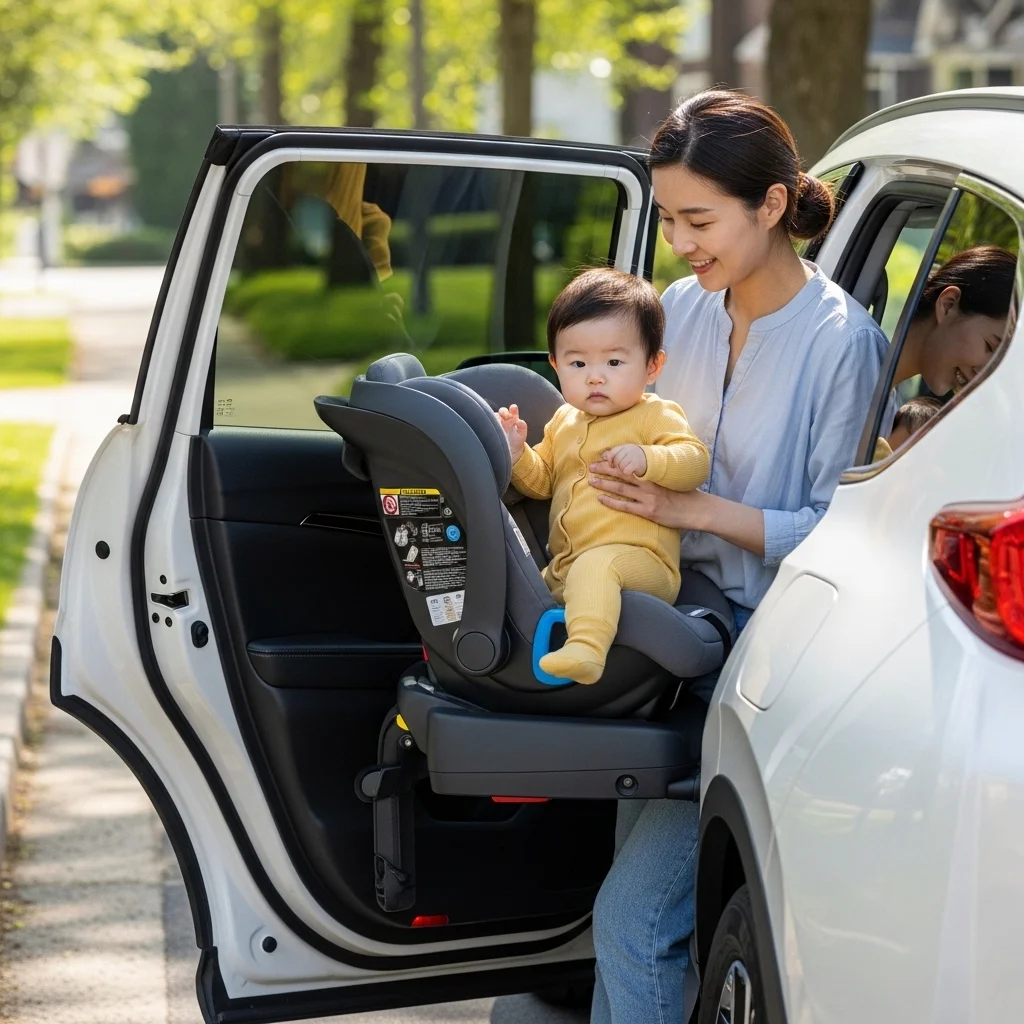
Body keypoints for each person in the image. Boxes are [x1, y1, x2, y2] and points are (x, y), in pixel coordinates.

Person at [582, 89, 891, 1024]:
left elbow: (843, 527)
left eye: (699, 219)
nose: (679, 241)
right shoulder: (679, 307)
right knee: (626, 917)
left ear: (769, 206)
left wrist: (695, 507)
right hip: (661, 641)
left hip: (762, 659)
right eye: (669, 217)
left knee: (634, 920)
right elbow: (618, 419)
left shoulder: (845, 344)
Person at [497, 268, 709, 685]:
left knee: (597, 565)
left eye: (614, 361)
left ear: (653, 366)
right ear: (556, 365)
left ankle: (587, 651)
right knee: (529, 584)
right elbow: (541, 484)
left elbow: (695, 462)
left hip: (644, 563)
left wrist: (649, 459)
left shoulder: (653, 415)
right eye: (577, 363)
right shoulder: (564, 421)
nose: (595, 376)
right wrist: (519, 454)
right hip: (570, 567)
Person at [873, 245, 1015, 461]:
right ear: (948, 305)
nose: (986, 374)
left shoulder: (884, 408)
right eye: (990, 347)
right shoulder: (857, 361)